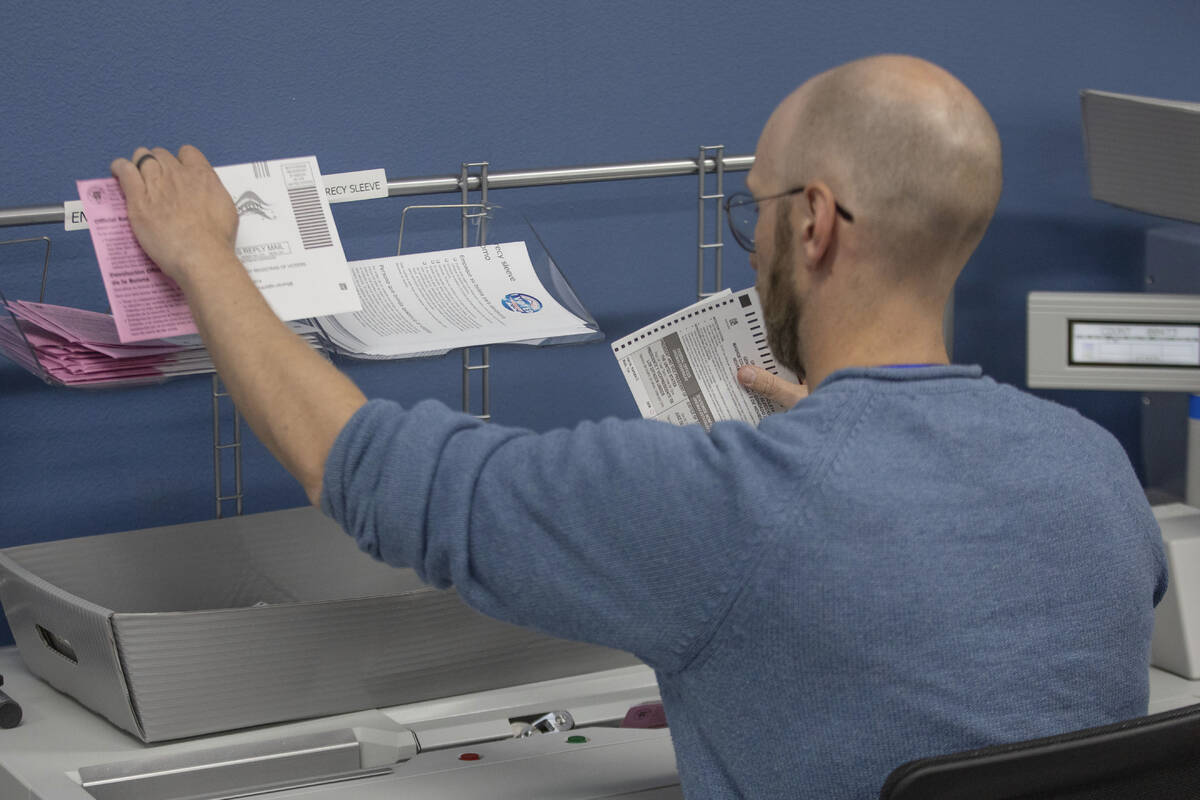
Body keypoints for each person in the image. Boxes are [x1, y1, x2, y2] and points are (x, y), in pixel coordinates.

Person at [111, 54, 1165, 800]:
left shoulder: (730, 506)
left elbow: (374, 474)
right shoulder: (1097, 473)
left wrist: (207, 259)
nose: (754, 247)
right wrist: (856, 447)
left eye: (754, 213)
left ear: (816, 222)